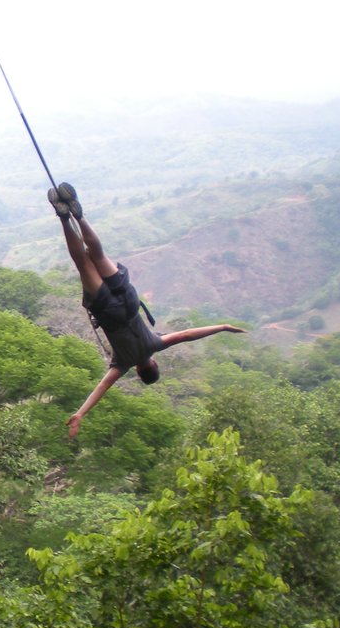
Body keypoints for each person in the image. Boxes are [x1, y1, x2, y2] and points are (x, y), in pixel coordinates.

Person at [49, 182, 247, 439]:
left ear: (153, 364)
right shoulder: (122, 364)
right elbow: (102, 387)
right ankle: (64, 218)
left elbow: (187, 334)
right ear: (140, 371)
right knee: (82, 262)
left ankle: (79, 215)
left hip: (129, 303)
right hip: (108, 311)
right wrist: (80, 413)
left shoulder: (156, 344)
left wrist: (221, 327)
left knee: (97, 254)